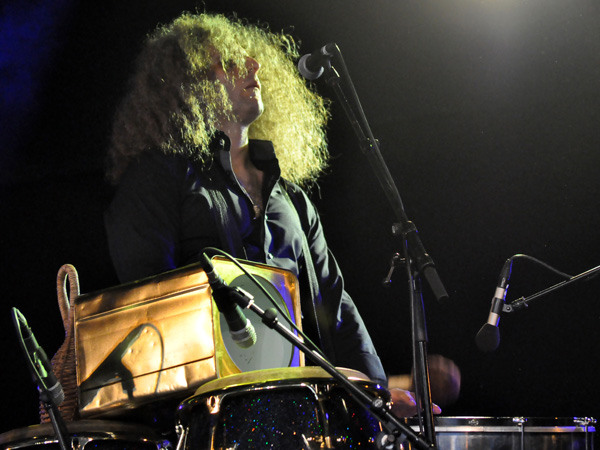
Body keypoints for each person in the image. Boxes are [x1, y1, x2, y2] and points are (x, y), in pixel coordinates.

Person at [104, 11, 445, 418]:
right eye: (229, 61)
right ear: (190, 82)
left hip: (301, 417)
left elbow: (337, 313)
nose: (254, 65)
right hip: (210, 419)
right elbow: (153, 311)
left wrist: (376, 397)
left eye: (251, 58)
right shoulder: (155, 179)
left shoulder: (293, 200)